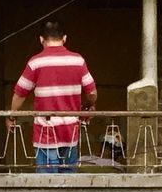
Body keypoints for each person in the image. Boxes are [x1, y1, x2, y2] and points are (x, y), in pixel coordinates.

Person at [7, 21, 97, 174]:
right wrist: (89, 106)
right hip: (70, 132)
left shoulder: (35, 62)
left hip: (45, 133)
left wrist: (11, 117)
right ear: (65, 38)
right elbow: (92, 93)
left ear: (41, 39)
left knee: (46, 183)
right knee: (68, 182)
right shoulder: (78, 60)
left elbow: (19, 94)